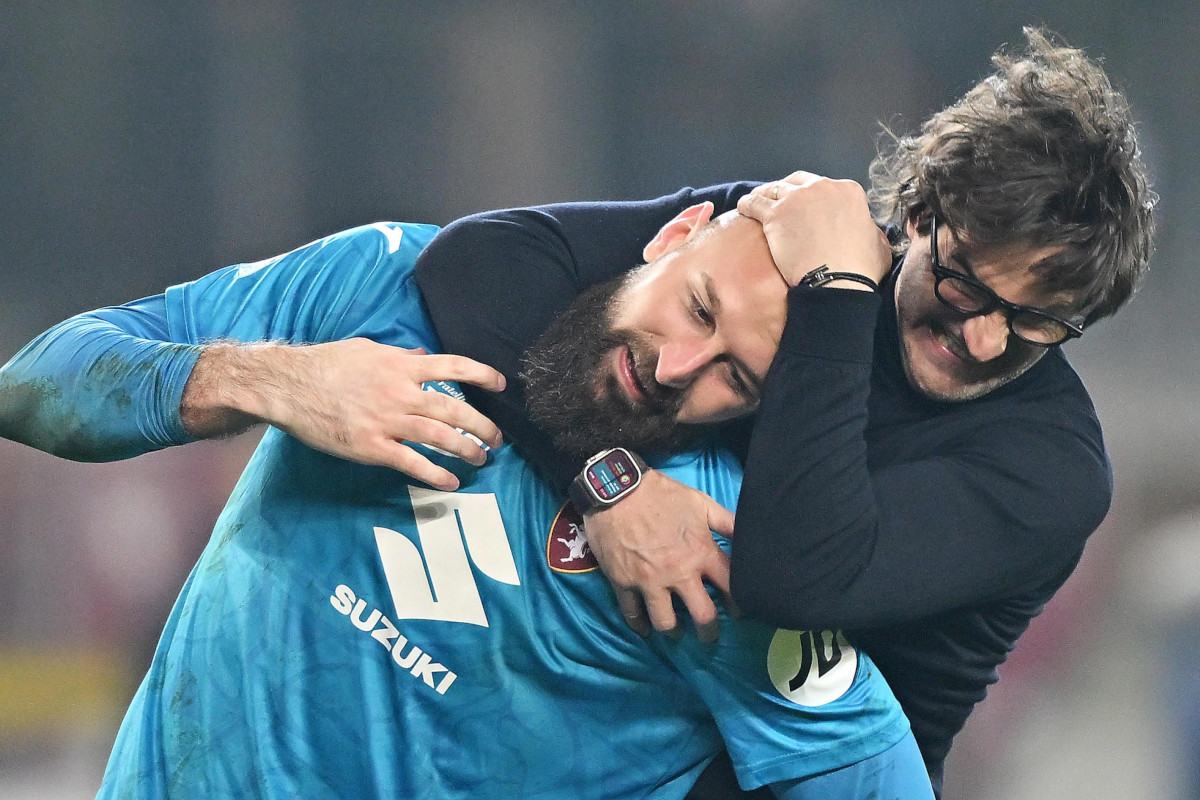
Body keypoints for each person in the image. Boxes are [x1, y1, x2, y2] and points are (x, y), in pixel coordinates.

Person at [412, 28, 1156, 798]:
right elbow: (477, 265)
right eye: (968, 287)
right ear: (918, 214)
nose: (984, 337)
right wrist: (608, 484)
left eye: (1038, 323)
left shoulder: (1052, 471)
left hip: (797, 777)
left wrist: (835, 299)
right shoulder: (789, 244)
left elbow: (793, 580)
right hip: (616, 723)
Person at [0, 214, 932, 798]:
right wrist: (275, 381)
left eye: (735, 374)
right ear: (675, 235)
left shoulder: (710, 546)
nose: (679, 366)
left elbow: (871, 771)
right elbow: (32, 387)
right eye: (695, 310)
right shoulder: (384, 289)